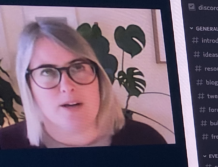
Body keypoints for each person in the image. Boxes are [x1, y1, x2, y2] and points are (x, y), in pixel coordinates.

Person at [0, 20, 165, 149]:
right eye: (47, 72)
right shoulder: (6, 145)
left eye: (78, 67)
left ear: (99, 77)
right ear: (29, 86)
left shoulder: (145, 139)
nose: (66, 86)